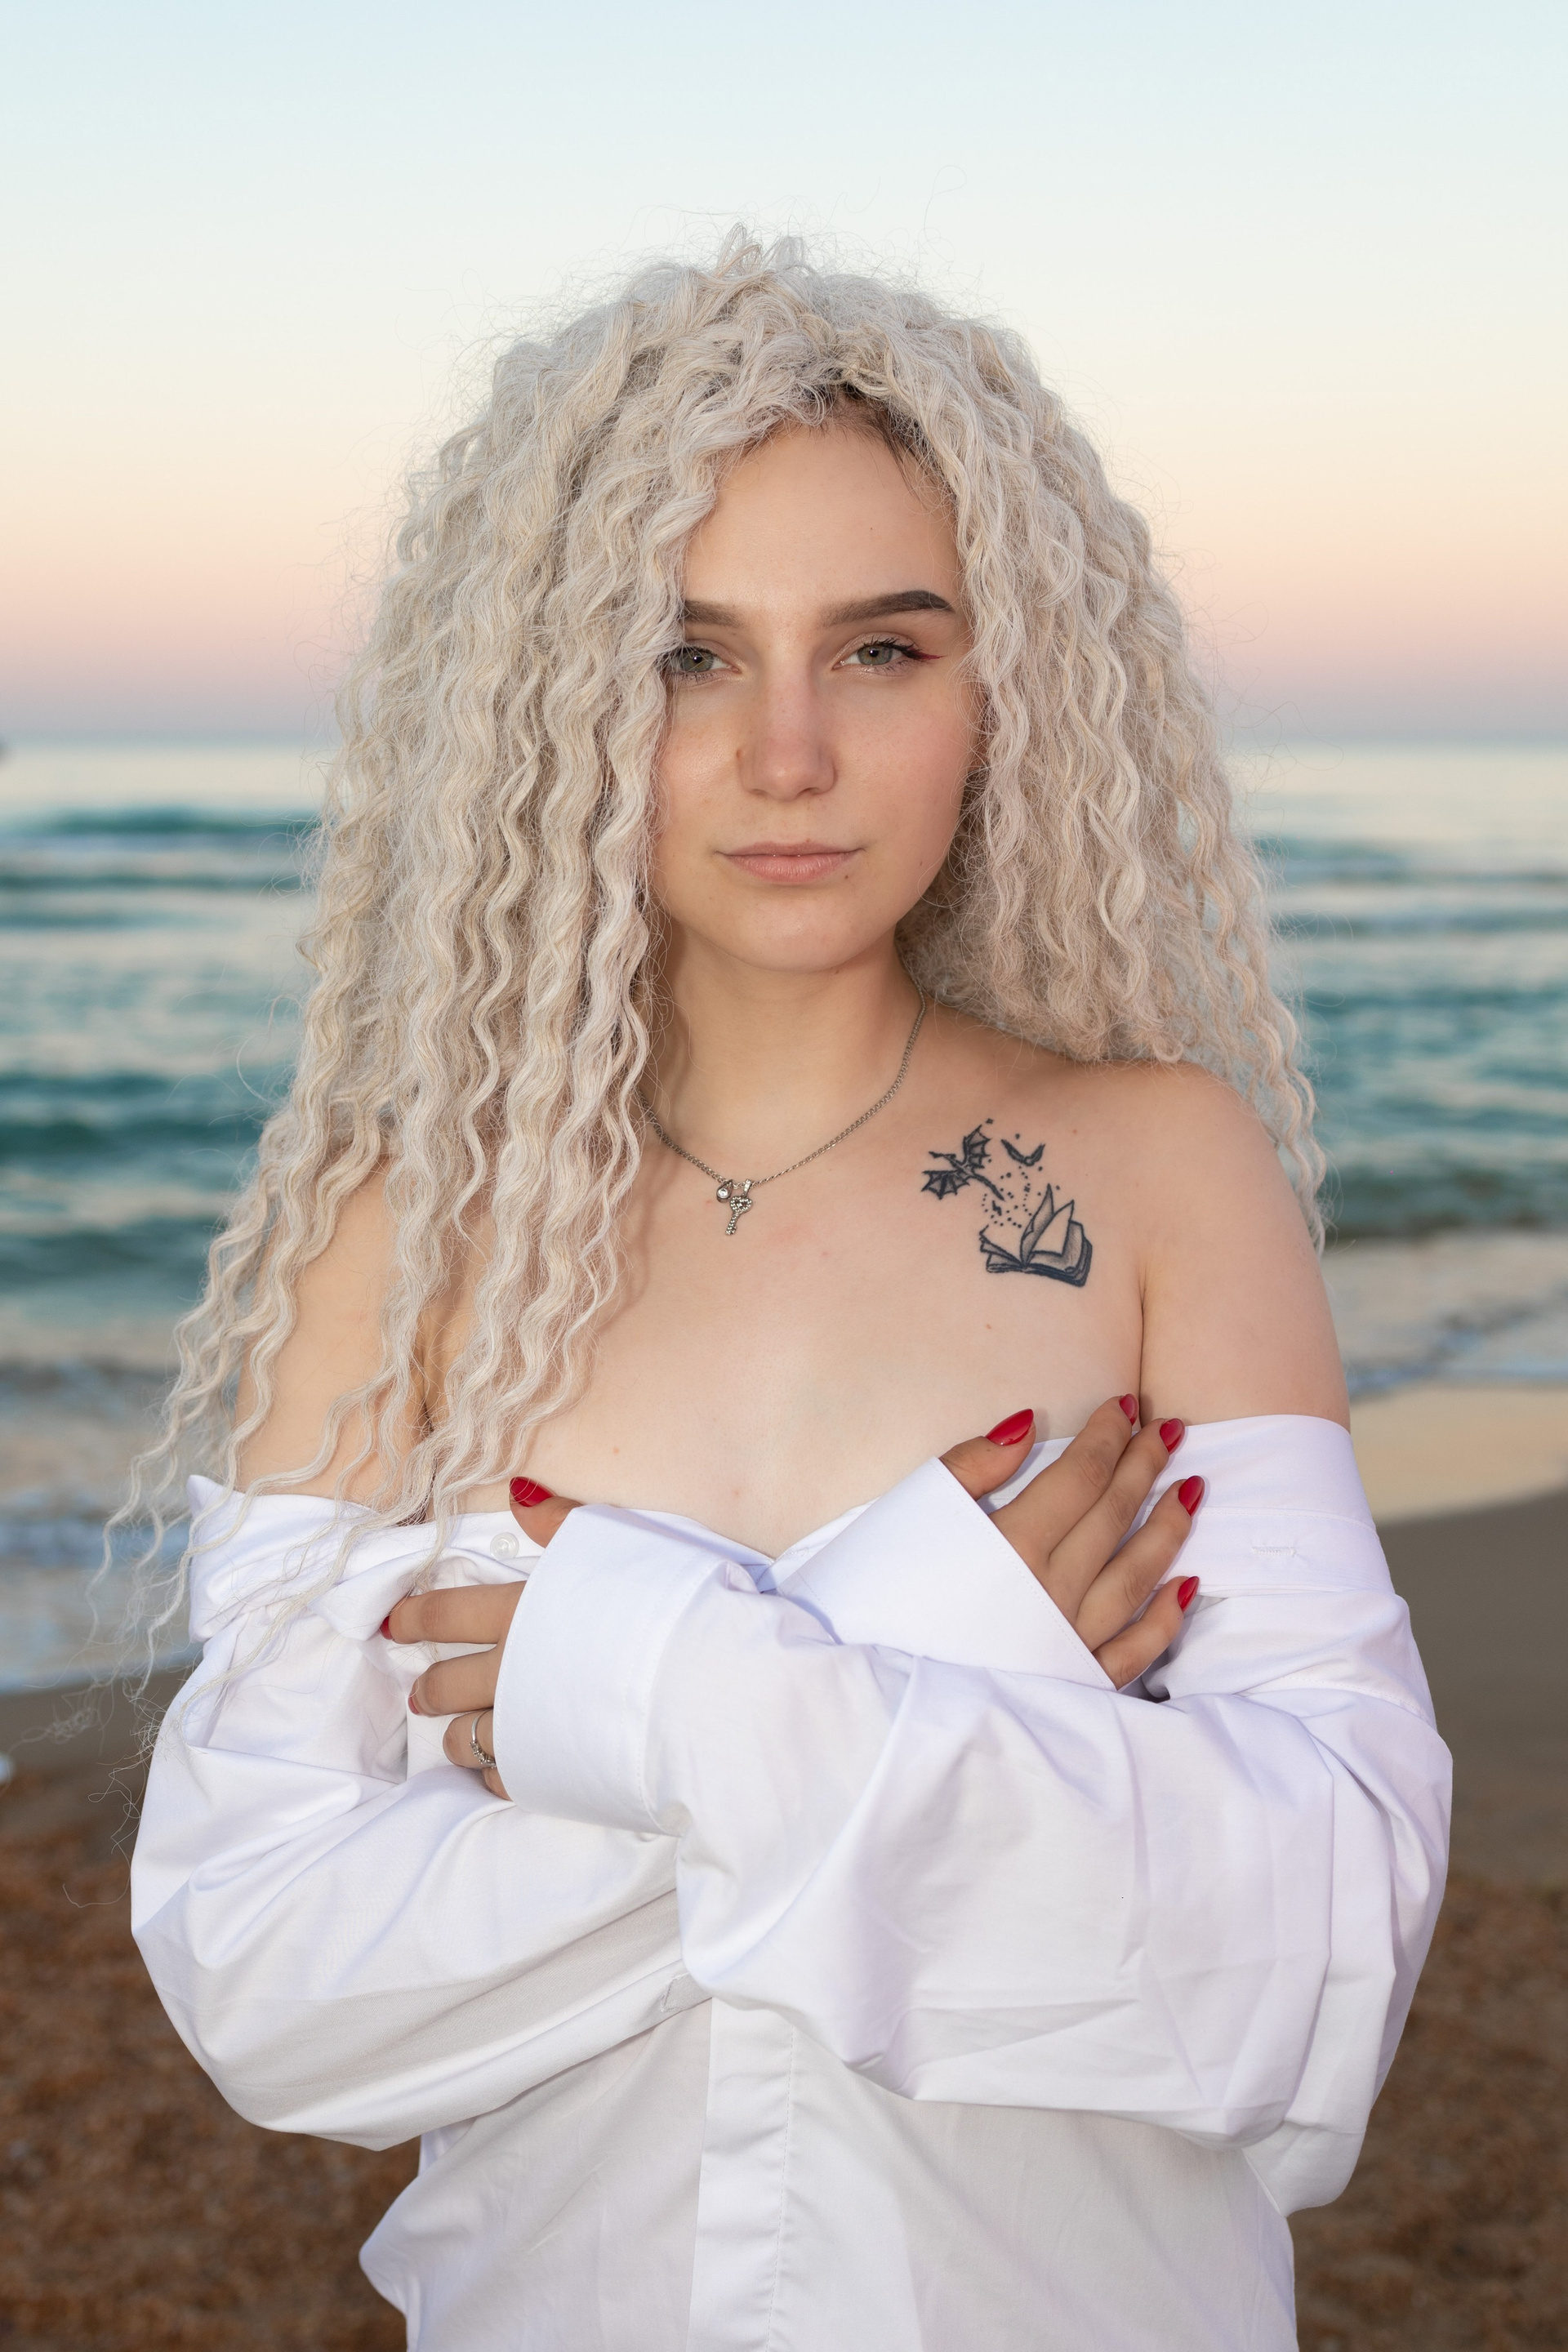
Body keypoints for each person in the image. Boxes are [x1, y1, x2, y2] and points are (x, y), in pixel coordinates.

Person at [128, 235, 1450, 2351]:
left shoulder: (1152, 1177)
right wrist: (912, 1655)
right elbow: (273, 1976)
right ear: (559, 694)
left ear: (1003, 687)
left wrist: (658, 1710)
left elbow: (1321, 1943)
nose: (791, 753)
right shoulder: (412, 1235)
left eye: (885, 648)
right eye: (687, 655)